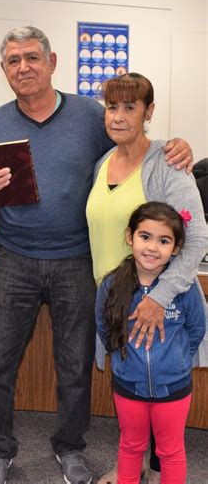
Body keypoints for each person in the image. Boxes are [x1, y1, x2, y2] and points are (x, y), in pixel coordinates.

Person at [0, 26, 192, 484]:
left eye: (32, 57)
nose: (24, 67)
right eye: (13, 60)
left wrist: (178, 146)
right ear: (4, 70)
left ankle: (70, 448)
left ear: (52, 63)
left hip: (77, 260)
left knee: (75, 365)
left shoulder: (91, 115)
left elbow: (130, 147)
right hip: (13, 258)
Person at [86, 73, 208, 484]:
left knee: (163, 416)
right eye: (111, 107)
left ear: (148, 112)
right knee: (134, 410)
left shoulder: (167, 163)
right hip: (116, 299)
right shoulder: (104, 162)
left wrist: (161, 297)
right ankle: (135, 470)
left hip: (159, 301)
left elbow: (198, 237)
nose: (118, 117)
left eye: (129, 107)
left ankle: (155, 472)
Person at [95, 201, 206, 484]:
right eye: (145, 237)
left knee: (171, 451)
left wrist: (178, 359)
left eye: (164, 240)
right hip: (128, 385)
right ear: (130, 236)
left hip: (173, 388)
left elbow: (196, 328)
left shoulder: (184, 286)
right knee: (131, 446)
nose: (152, 248)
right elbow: (104, 326)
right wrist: (121, 359)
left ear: (176, 248)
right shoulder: (111, 284)